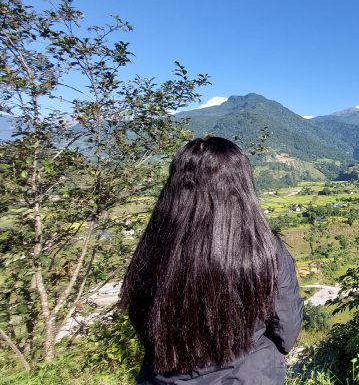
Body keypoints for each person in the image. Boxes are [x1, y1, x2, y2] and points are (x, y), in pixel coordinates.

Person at [121, 137, 303, 385]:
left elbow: (142, 320)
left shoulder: (154, 248)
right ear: (242, 186)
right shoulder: (266, 250)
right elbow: (287, 331)